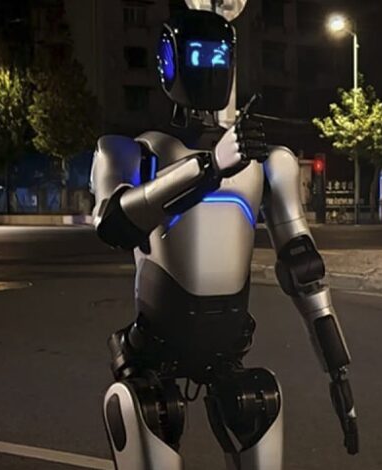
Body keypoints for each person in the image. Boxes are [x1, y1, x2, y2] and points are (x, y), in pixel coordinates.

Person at [89, 9, 357, 470]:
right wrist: (209, 167)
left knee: (259, 401)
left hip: (229, 348)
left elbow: (304, 269)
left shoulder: (268, 161)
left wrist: (338, 371)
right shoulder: (133, 151)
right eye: (197, 54)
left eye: (218, 56)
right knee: (146, 409)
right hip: (154, 348)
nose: (209, 67)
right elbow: (114, 223)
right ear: (170, 61)